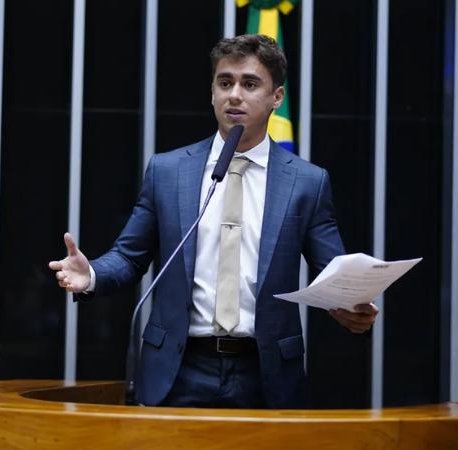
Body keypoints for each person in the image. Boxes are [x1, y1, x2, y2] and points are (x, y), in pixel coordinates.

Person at [48, 34, 378, 409]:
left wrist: (351, 305)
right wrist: (91, 274)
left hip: (266, 370)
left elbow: (333, 272)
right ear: (212, 93)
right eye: (225, 83)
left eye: (250, 84)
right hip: (179, 366)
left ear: (277, 97)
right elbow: (129, 256)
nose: (234, 95)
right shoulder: (168, 171)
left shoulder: (307, 182)